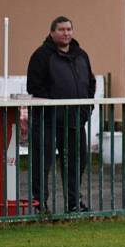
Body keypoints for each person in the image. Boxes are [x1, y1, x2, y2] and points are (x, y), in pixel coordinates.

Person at [27, 16, 96, 213]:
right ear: (52, 32)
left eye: (69, 29)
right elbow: (34, 85)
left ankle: (74, 203)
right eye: (61, 29)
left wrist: (85, 109)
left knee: (76, 162)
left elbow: (90, 83)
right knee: (42, 163)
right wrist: (53, 106)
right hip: (47, 120)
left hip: (75, 120)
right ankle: (40, 204)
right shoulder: (41, 55)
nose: (66, 33)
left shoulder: (81, 55)